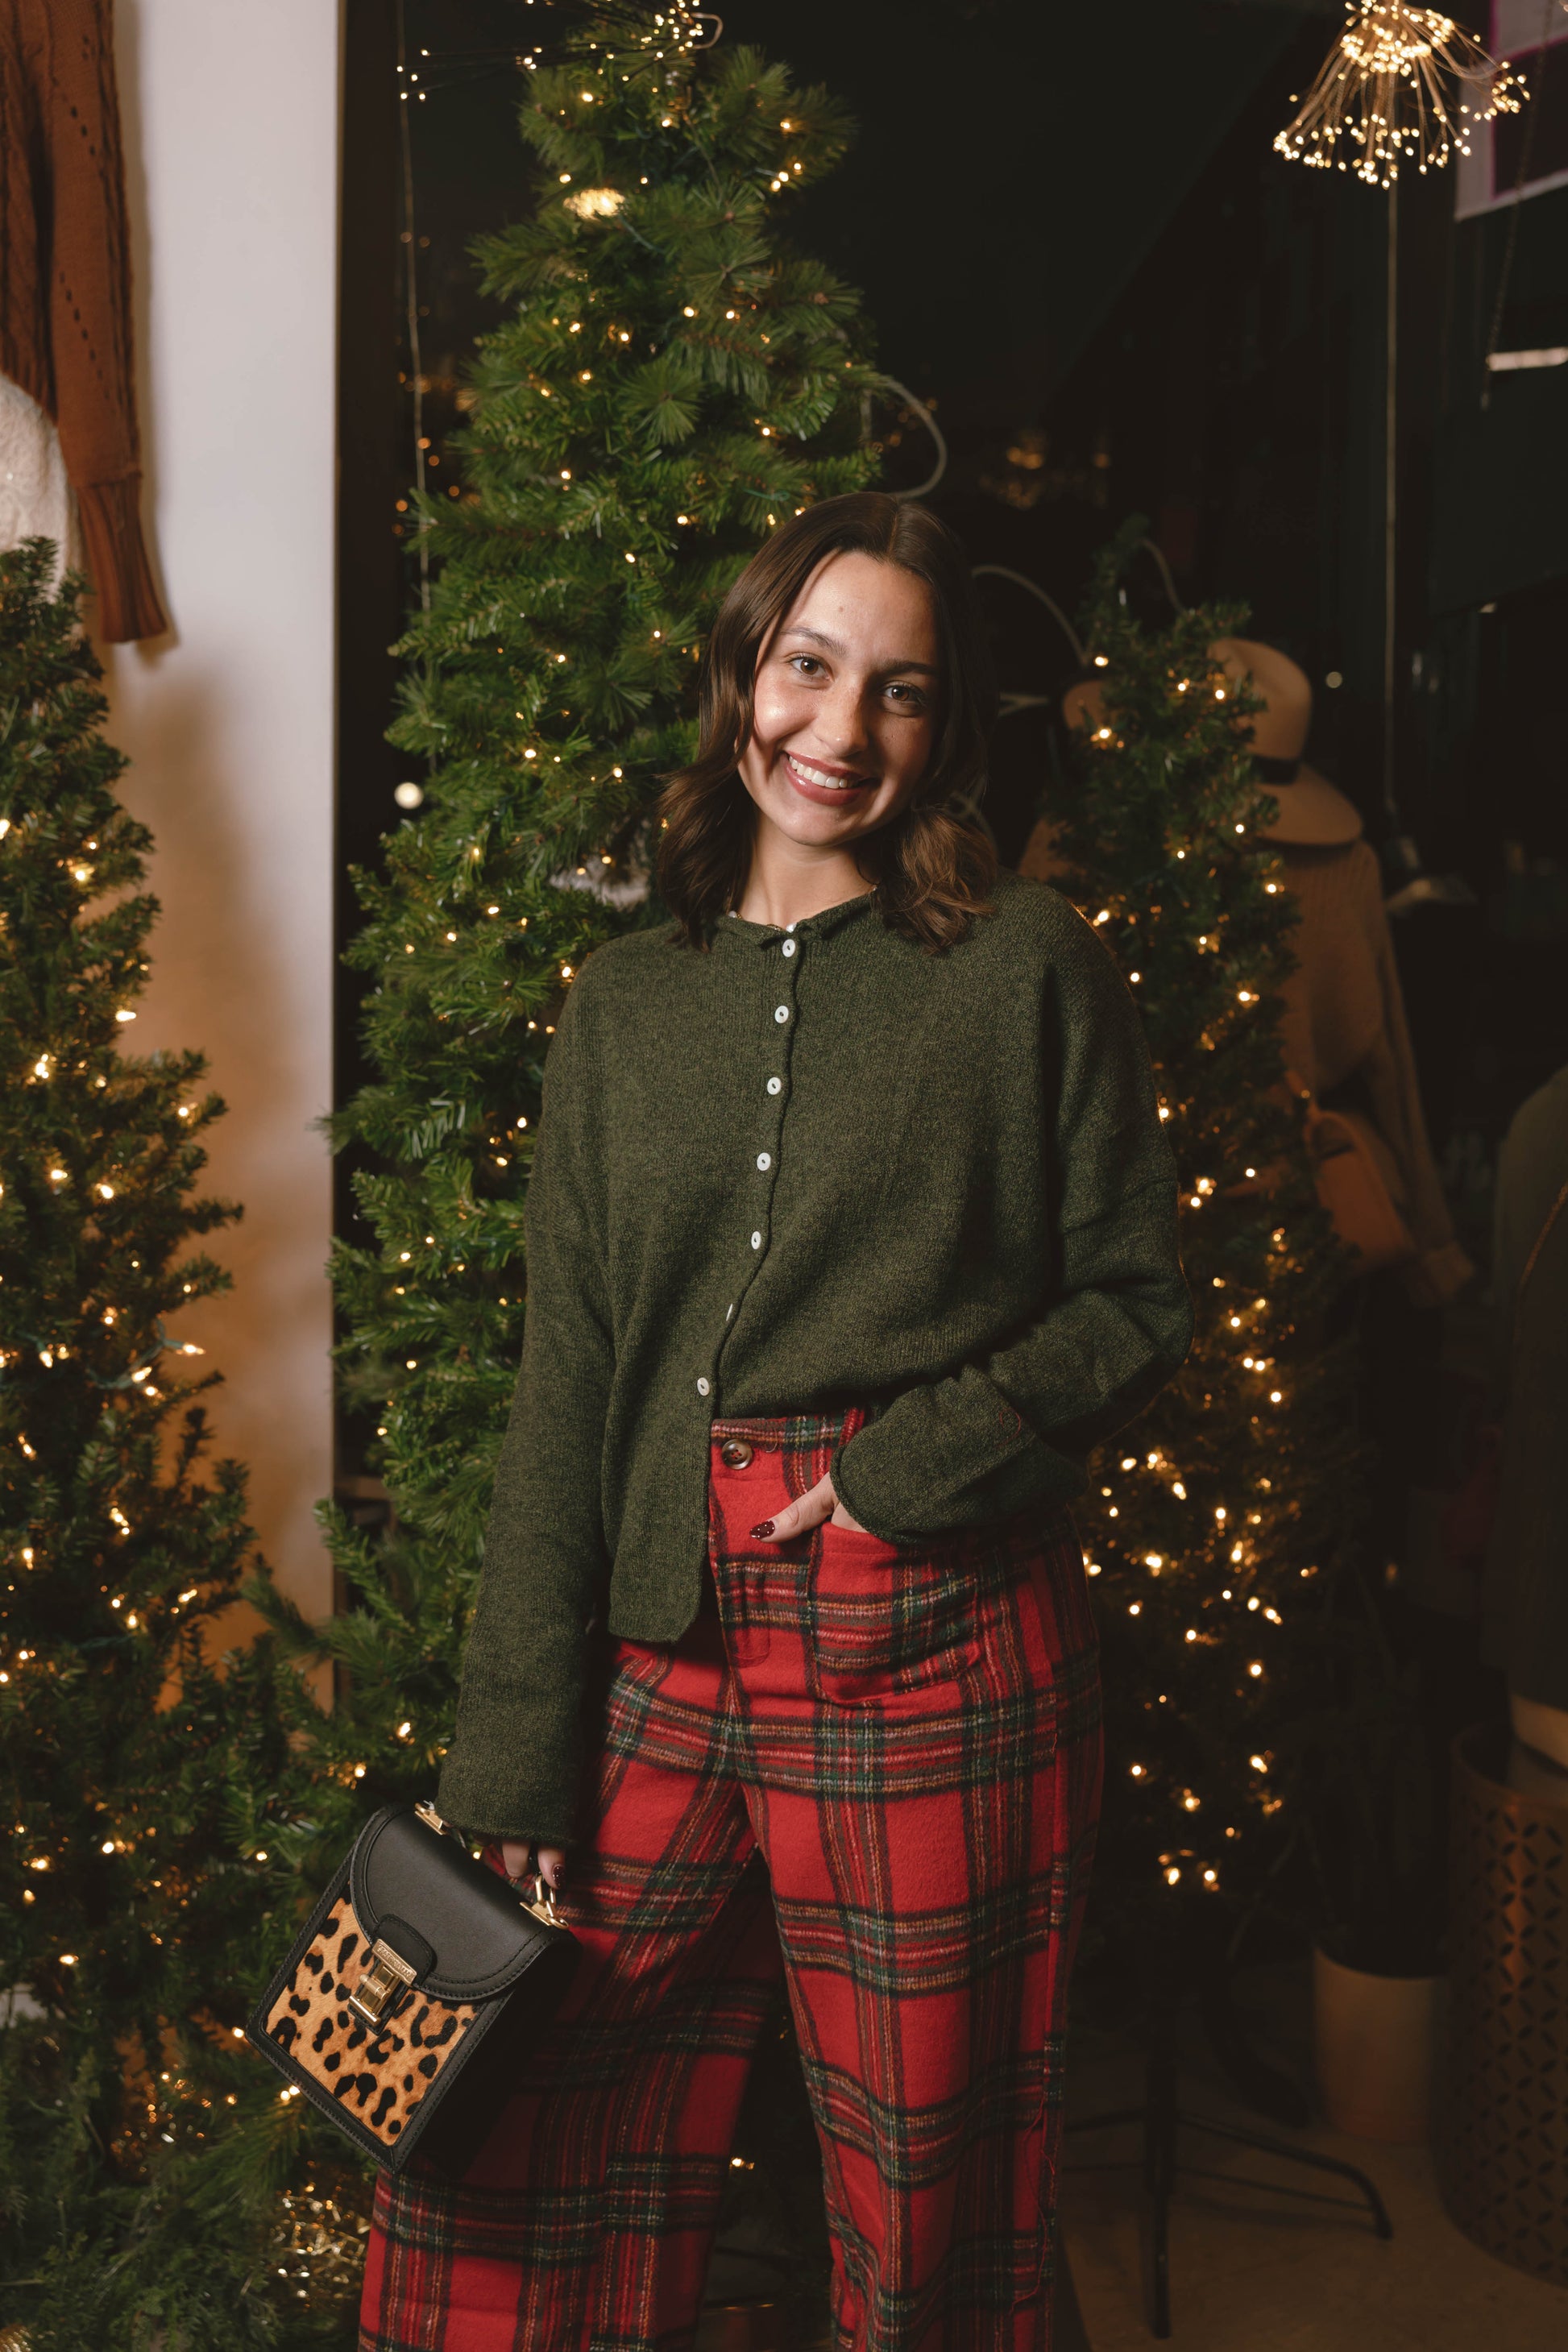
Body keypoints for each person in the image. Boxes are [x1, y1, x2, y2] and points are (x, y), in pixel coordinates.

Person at [359, 492, 1192, 2351]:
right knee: (496, 2120)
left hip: (933, 1627)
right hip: (668, 1627)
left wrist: (895, 1476)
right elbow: (567, 1381)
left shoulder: (1021, 965)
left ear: (944, 726)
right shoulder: (622, 1005)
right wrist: (510, 1758)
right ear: (741, 671)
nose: (839, 730)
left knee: (930, 2187)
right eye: (808, 667)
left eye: (898, 691)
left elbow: (1136, 1303)